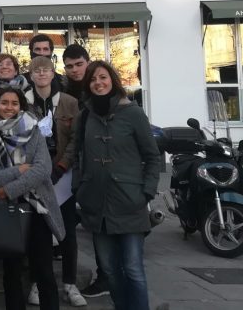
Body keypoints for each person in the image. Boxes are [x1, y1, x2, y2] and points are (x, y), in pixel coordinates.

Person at [73, 61, 160, 310]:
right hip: (96, 204)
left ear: (113, 79)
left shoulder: (133, 113)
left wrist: (146, 192)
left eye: (103, 77)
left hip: (129, 201)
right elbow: (77, 154)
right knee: (109, 269)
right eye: (92, 79)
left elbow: (152, 156)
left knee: (133, 268)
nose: (98, 83)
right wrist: (79, 188)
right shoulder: (85, 115)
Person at [0, 86, 65, 310]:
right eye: (4, 102)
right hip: (6, 211)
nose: (9, 107)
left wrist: (8, 189)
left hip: (37, 207)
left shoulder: (34, 130)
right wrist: (19, 170)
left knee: (44, 270)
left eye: (14, 103)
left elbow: (42, 169)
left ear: (21, 106)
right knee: (11, 271)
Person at [23, 56, 85, 307]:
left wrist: (62, 166)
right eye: (36, 70)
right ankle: (37, 283)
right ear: (30, 75)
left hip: (62, 175)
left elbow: (76, 139)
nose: (41, 74)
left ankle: (70, 283)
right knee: (37, 234)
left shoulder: (69, 102)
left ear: (52, 73)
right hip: (33, 177)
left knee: (66, 230)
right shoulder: (22, 102)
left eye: (45, 70)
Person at [60, 44, 109, 299]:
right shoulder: (64, 90)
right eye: (69, 66)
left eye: (79, 64)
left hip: (99, 164)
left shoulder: (99, 88)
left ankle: (106, 276)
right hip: (74, 164)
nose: (75, 70)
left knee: (101, 222)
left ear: (87, 62)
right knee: (83, 221)